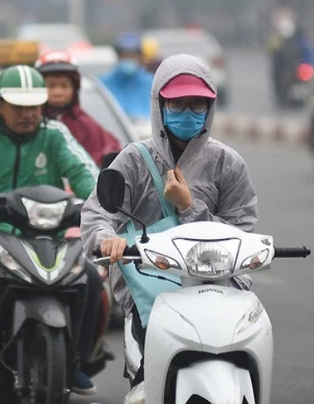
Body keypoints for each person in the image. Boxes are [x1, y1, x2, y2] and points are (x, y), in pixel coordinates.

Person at [80, 54, 257, 388]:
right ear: (159, 105)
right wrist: (107, 239)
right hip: (150, 292)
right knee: (147, 382)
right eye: (177, 105)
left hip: (217, 288)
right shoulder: (133, 160)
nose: (188, 113)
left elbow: (242, 233)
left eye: (197, 105)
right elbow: (97, 213)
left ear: (211, 107)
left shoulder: (228, 165)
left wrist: (189, 206)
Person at [0, 65, 103, 399]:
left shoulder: (55, 133)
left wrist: (100, 198)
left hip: (47, 234)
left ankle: (75, 359)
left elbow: (84, 169)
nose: (28, 114)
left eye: (33, 106)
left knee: (89, 276)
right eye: (19, 106)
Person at [35, 50, 121, 166]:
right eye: (51, 85)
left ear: (74, 88)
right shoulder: (28, 123)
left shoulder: (87, 126)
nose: (58, 92)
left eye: (64, 86)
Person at [100, 32, 154, 120]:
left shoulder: (151, 83)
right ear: (118, 56)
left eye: (132, 55)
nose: (128, 59)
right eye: (124, 55)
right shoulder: (103, 83)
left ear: (139, 57)